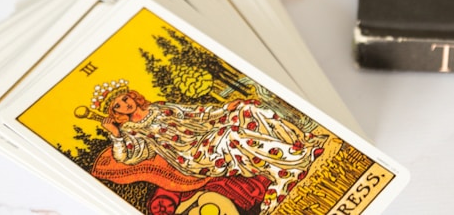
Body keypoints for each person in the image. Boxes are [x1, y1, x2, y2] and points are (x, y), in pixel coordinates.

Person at [91, 79, 325, 214]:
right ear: (116, 113)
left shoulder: (159, 108)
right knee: (231, 135)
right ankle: (284, 171)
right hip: (193, 157)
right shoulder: (132, 132)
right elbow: (127, 158)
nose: (125, 103)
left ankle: (300, 145)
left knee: (247, 110)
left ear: (132, 96)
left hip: (206, 136)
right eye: (118, 105)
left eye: (124, 98)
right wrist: (116, 136)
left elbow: (197, 114)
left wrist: (228, 108)